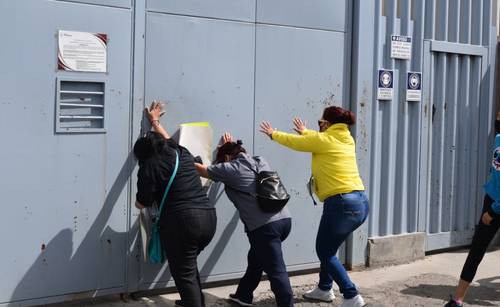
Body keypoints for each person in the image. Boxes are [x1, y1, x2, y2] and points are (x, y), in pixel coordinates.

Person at [259, 106, 369, 307]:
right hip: (360, 203)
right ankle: (325, 288)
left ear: (328, 124)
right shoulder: (346, 138)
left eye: (320, 123)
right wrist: (307, 131)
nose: (319, 127)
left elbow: (299, 143)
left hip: (341, 204)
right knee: (330, 248)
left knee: (324, 251)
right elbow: (317, 140)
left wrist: (273, 134)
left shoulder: (323, 140)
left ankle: (351, 295)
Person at [194, 133, 294, 307]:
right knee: (256, 259)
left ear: (226, 157)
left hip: (265, 228)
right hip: (284, 219)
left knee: (277, 272)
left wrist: (182, 159)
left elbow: (204, 170)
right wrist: (227, 148)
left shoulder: (230, 169)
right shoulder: (259, 160)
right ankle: (243, 295)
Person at [134, 101, 216, 307]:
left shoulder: (149, 166)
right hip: (208, 218)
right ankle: (194, 301)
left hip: (183, 222)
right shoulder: (180, 152)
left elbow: (141, 203)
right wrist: (155, 121)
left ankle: (193, 302)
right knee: (187, 266)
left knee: (184, 271)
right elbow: (167, 138)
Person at [444, 113, 500, 307]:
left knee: (476, 250)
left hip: (495, 206)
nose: (498, 114)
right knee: (476, 251)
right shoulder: (498, 139)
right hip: (492, 199)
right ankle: (457, 300)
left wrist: (493, 211)